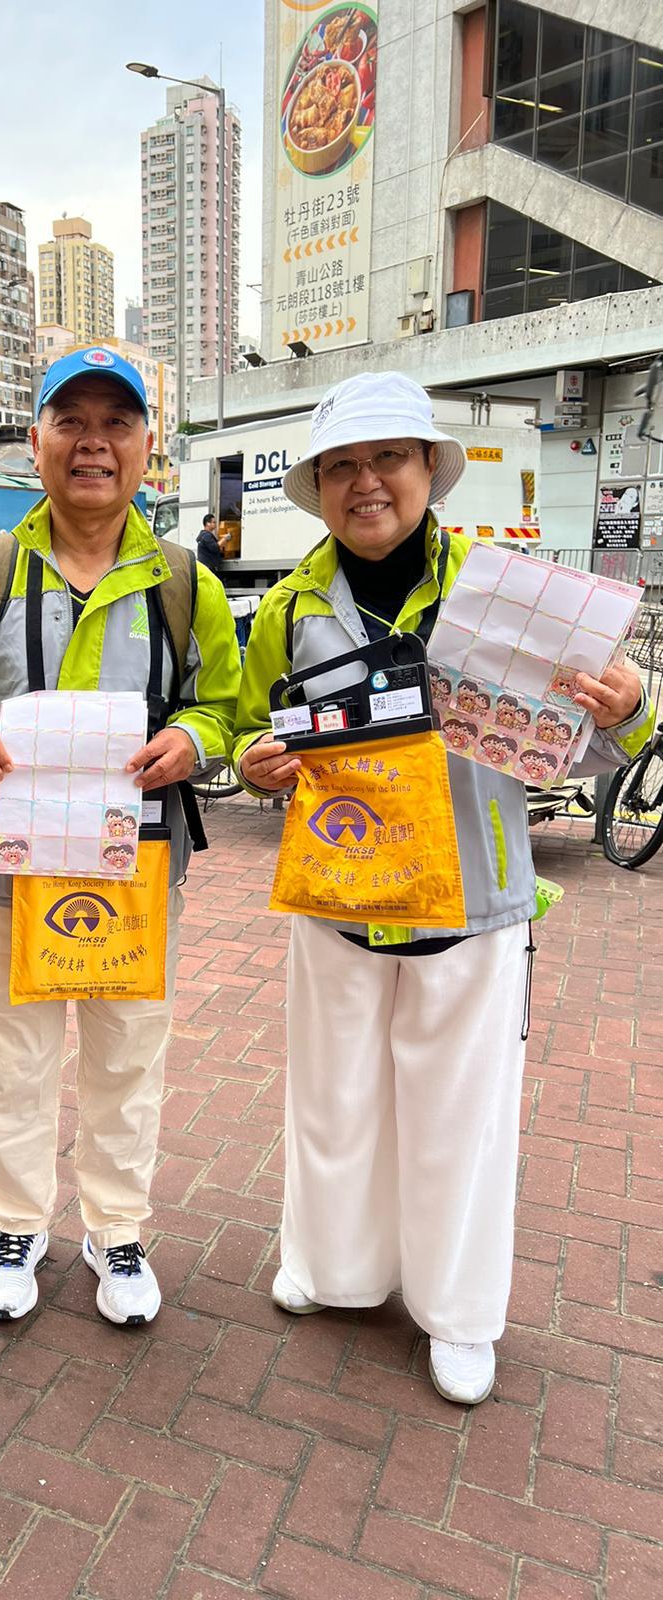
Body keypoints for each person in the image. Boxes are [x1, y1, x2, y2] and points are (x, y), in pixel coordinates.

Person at [232, 370, 650, 1405]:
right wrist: (253, 763)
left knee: (461, 1112)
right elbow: (249, 732)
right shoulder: (288, 608)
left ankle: (459, 1315)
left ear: (430, 471)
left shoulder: (507, 588)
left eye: (387, 459)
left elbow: (598, 739)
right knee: (333, 1099)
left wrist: (635, 700)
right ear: (320, 487)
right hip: (337, 900)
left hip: (473, 898)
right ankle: (334, 1270)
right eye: (341, 466)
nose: (364, 482)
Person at [0, 346, 240, 1327]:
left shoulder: (186, 582)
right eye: (72, 421)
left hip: (136, 872)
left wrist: (194, 739)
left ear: (147, 446)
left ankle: (118, 1229)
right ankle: (17, 1223)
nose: (94, 442)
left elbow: (224, 703)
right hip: (7, 876)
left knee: (127, 1055)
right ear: (38, 441)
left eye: (117, 423)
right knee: (11, 1057)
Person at [195, 512, 227, 578]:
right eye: (214, 522)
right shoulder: (206, 536)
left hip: (206, 567)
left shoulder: (204, 535)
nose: (215, 524)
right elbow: (215, 547)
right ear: (208, 523)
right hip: (208, 567)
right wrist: (225, 538)